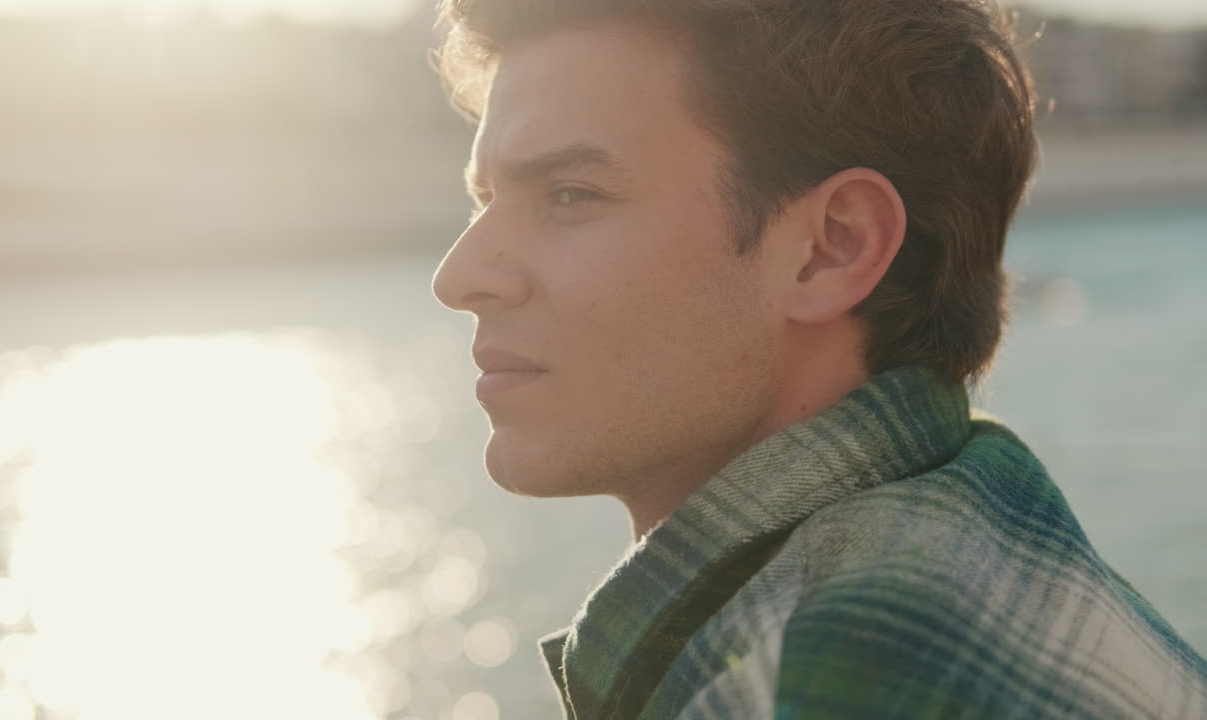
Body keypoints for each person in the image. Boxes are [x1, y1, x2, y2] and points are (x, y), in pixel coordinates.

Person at [429, 0, 1207, 717]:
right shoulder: (988, 538)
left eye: (570, 194)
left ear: (833, 248)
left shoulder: (809, 677)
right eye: (483, 200)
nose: (459, 277)